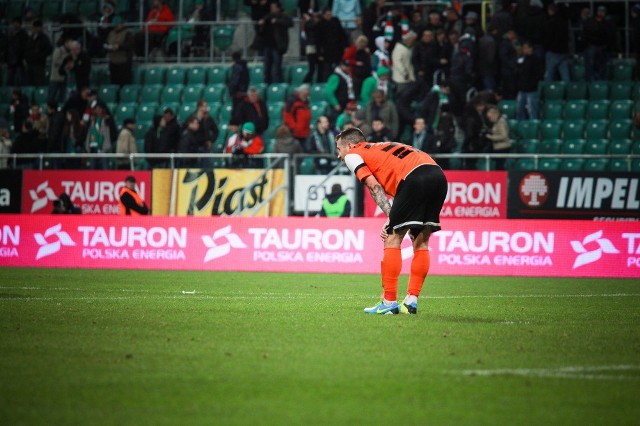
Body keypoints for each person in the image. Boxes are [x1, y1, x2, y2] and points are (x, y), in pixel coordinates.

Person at [335, 127, 448, 314]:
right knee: (420, 241)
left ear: (350, 145)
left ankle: (388, 303)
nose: (339, 156)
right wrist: (393, 217)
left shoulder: (353, 154)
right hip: (437, 175)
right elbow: (399, 184)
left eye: (339, 149)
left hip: (414, 178)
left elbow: (374, 187)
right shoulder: (382, 148)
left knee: (391, 238)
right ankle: (411, 301)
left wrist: (390, 219)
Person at [257, 1, 293, 84]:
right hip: (267, 45)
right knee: (267, 68)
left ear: (278, 8)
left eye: (274, 7)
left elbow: (290, 23)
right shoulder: (267, 16)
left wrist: (277, 21)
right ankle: (267, 84)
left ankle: (278, 84)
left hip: (277, 46)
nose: (272, 9)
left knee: (277, 67)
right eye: (271, 7)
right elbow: (260, 29)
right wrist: (260, 25)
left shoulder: (283, 16)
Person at [515, 40, 543, 120]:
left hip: (531, 90)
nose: (525, 50)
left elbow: (538, 75)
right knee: (519, 110)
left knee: (532, 111)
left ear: (531, 49)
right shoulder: (521, 59)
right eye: (524, 48)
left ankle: (533, 128)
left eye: (527, 48)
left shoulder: (536, 60)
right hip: (521, 89)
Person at [105, 17, 134, 86]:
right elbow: (106, 44)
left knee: (124, 83)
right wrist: (109, 47)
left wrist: (119, 47)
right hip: (113, 61)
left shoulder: (128, 33)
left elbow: (129, 45)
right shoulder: (111, 33)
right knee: (114, 82)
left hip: (124, 62)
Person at [24, 20, 53, 86]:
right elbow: (26, 49)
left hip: (39, 64)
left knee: (39, 82)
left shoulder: (44, 38)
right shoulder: (31, 38)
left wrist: (40, 56)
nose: (36, 29)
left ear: (41, 28)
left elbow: (49, 50)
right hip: (30, 63)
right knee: (29, 82)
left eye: (38, 27)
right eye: (35, 27)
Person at [483, 104, 511, 170]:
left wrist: (490, 137)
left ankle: (502, 179)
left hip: (503, 148)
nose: (489, 119)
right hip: (497, 148)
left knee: (500, 167)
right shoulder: (496, 122)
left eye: (490, 117)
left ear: (494, 114)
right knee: (498, 166)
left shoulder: (501, 121)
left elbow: (504, 136)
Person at [227, 51, 250, 115]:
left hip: (237, 94)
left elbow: (235, 81)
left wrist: (231, 91)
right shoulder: (245, 67)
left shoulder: (237, 67)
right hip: (244, 92)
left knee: (237, 113)